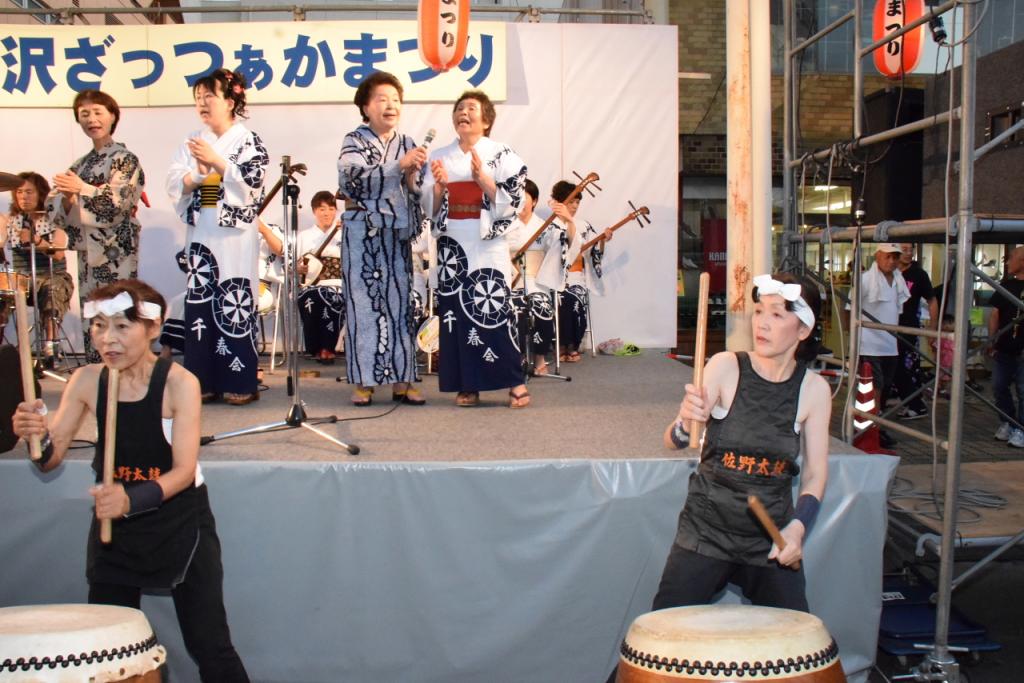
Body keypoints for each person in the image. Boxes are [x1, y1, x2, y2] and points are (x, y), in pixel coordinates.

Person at [11, 279, 250, 682]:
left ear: (153, 329)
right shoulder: (87, 380)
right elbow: (50, 460)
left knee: (210, 646)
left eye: (123, 326)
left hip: (179, 523)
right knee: (105, 648)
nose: (108, 339)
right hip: (115, 531)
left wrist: (130, 500)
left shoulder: (179, 383)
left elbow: (184, 470)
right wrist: (35, 436)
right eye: (99, 326)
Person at [603, 273, 831, 682]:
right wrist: (686, 421)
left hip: (770, 539)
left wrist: (797, 529)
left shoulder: (813, 390)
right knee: (658, 647)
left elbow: (814, 473)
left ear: (803, 327)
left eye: (776, 315)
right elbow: (675, 440)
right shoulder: (726, 366)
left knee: (801, 653)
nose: (761, 323)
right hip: (705, 533)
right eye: (759, 311)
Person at [421, 89, 530, 408]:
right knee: (456, 314)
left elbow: (516, 201)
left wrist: (485, 181)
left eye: (471, 108)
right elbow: (429, 206)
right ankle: (467, 384)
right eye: (458, 109)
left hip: (487, 241)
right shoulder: (439, 155)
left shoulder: (502, 154)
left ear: (486, 119)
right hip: (453, 241)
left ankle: (514, 381)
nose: (463, 113)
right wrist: (439, 188)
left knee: (494, 307)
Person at [166, 68, 269, 406]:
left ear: (230, 100)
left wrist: (219, 163)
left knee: (234, 298)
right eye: (198, 98)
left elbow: (254, 183)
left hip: (234, 235)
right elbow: (174, 182)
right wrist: (196, 175)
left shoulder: (248, 139)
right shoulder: (191, 140)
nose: (202, 104)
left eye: (209, 96)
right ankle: (202, 381)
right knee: (199, 301)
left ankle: (239, 380)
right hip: (201, 229)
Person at [337, 71, 425, 407]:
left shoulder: (408, 142)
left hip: (396, 233)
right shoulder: (353, 141)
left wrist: (416, 178)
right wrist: (397, 167)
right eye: (382, 99)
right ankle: (364, 380)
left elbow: (417, 189)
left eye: (396, 99)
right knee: (365, 305)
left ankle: (404, 378)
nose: (391, 105)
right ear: (365, 106)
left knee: (401, 305)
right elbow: (351, 178)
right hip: (362, 231)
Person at [45, 90, 146, 362]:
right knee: (95, 316)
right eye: (85, 114)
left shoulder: (126, 160)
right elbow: (53, 207)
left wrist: (83, 189)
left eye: (98, 112)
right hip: (88, 256)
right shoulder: (80, 164)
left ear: (113, 116)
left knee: (119, 312)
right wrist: (68, 199)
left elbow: (118, 204)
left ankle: (126, 374)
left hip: (116, 253)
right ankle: (97, 372)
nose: (92, 119)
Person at [0, 172, 73, 364]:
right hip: (22, 280)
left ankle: (51, 348)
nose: (24, 197)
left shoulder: (53, 219)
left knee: (53, 289)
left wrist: (36, 241)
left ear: (41, 194)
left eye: (30, 192)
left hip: (52, 275)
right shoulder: (9, 220)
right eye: (20, 192)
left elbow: (58, 253)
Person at [505, 178, 574, 376]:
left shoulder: (545, 227)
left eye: (524, 197)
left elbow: (565, 244)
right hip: (511, 283)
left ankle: (539, 358)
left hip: (536, 283)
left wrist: (568, 221)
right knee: (510, 308)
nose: (519, 201)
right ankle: (515, 358)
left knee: (542, 307)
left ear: (534, 201)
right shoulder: (505, 227)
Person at [851, 243, 908, 448]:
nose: (891, 261)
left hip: (889, 343)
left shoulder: (898, 280)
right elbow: (850, 307)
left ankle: (876, 425)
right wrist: (854, 337)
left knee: (884, 389)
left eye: (895, 257)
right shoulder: (866, 280)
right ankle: (869, 428)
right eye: (888, 257)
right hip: (869, 343)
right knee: (874, 387)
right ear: (877, 256)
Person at [551, 180, 613, 363]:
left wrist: (602, 240)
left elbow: (594, 253)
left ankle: (572, 345)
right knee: (561, 298)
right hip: (552, 278)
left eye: (577, 202)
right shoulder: (549, 225)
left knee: (573, 298)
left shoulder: (583, 226)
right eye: (571, 202)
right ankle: (561, 346)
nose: (575, 206)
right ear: (560, 202)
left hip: (575, 278)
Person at [296, 190, 345, 364]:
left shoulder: (343, 232)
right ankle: (317, 347)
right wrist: (297, 268)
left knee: (330, 295)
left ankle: (327, 347)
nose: (327, 213)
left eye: (331, 209)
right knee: (314, 296)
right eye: (322, 209)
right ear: (314, 211)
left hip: (339, 283)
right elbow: (293, 265)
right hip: (312, 284)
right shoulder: (304, 236)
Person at [894, 243, 938, 421]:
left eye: (911, 250)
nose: (908, 253)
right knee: (891, 367)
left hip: (908, 326)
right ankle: (908, 402)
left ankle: (915, 404)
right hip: (887, 326)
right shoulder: (890, 272)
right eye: (904, 250)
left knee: (903, 367)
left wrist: (933, 327)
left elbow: (932, 300)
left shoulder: (918, 275)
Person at [988, 245, 1024, 447]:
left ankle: (1021, 429)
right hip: (1004, 346)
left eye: (1012, 258)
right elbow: (995, 314)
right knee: (998, 386)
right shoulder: (1006, 285)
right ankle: (1008, 422)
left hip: (1022, 348)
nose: (1008, 262)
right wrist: (992, 340)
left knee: (1023, 389)